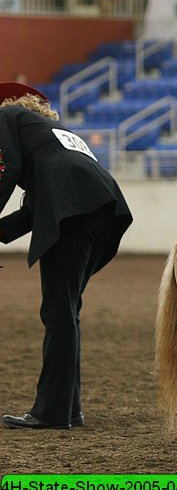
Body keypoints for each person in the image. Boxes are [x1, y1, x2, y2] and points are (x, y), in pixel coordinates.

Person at [0, 82, 133, 430]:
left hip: (73, 213)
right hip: (104, 209)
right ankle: (68, 408)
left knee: (59, 311)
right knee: (64, 310)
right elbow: (32, 211)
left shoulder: (6, 115)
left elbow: (7, 168)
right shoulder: (54, 136)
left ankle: (53, 412)